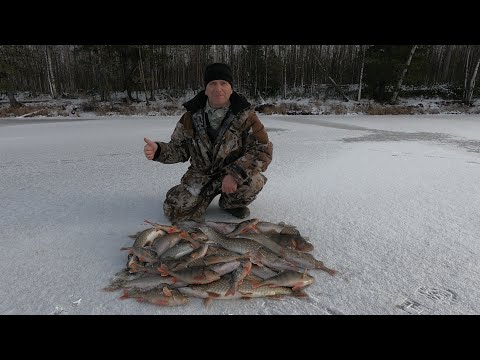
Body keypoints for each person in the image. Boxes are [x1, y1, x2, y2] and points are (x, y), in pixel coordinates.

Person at [143, 62, 273, 223]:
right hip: (201, 175)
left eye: (223, 83)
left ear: (231, 88)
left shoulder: (247, 116)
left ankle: (231, 204)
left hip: (231, 174)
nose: (218, 88)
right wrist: (159, 151)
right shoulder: (190, 117)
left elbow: (262, 150)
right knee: (174, 212)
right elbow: (179, 149)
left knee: (254, 182)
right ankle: (184, 192)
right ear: (206, 89)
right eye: (212, 83)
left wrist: (235, 174)